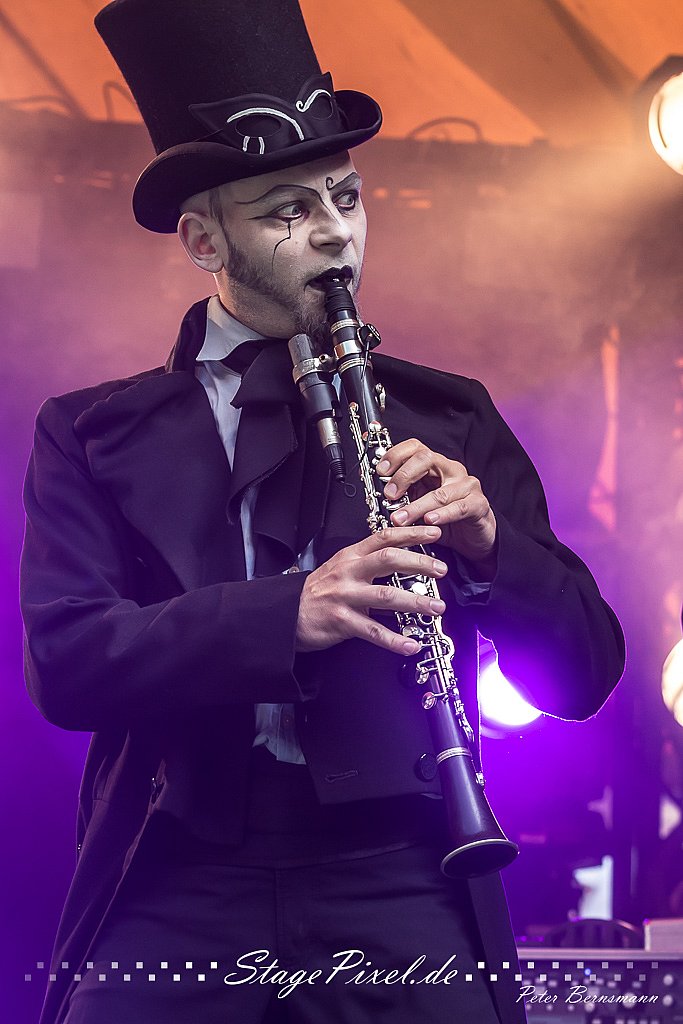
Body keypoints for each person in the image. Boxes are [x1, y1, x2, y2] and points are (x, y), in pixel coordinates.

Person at [19, 1, 625, 1022]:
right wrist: (285, 615)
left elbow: (582, 678)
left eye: (345, 197)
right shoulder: (87, 431)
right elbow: (68, 664)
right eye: (286, 210)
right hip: (178, 870)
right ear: (202, 239)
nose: (336, 232)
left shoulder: (449, 415)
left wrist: (491, 550)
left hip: (402, 869)